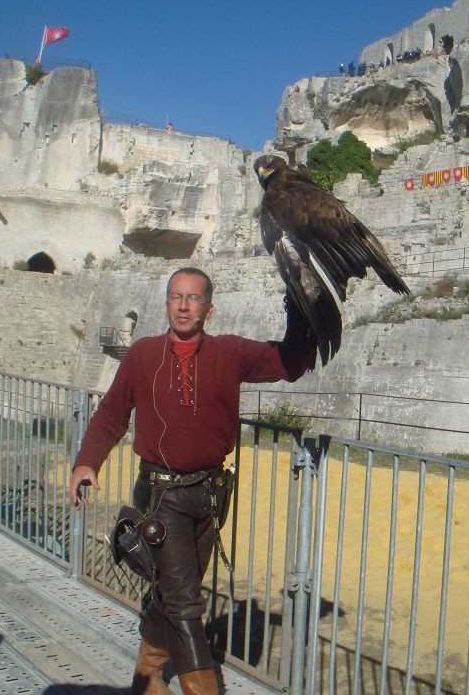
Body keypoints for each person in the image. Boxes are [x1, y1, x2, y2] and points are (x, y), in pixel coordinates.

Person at [69, 267, 315, 695]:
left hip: (211, 495)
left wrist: (302, 305)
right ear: (167, 304)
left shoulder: (230, 353)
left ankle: (147, 676)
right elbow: (111, 413)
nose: (183, 306)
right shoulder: (143, 354)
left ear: (209, 309)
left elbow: (289, 363)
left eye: (193, 298)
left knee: (173, 592)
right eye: (176, 297)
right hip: (161, 496)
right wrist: (87, 461)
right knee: (185, 601)